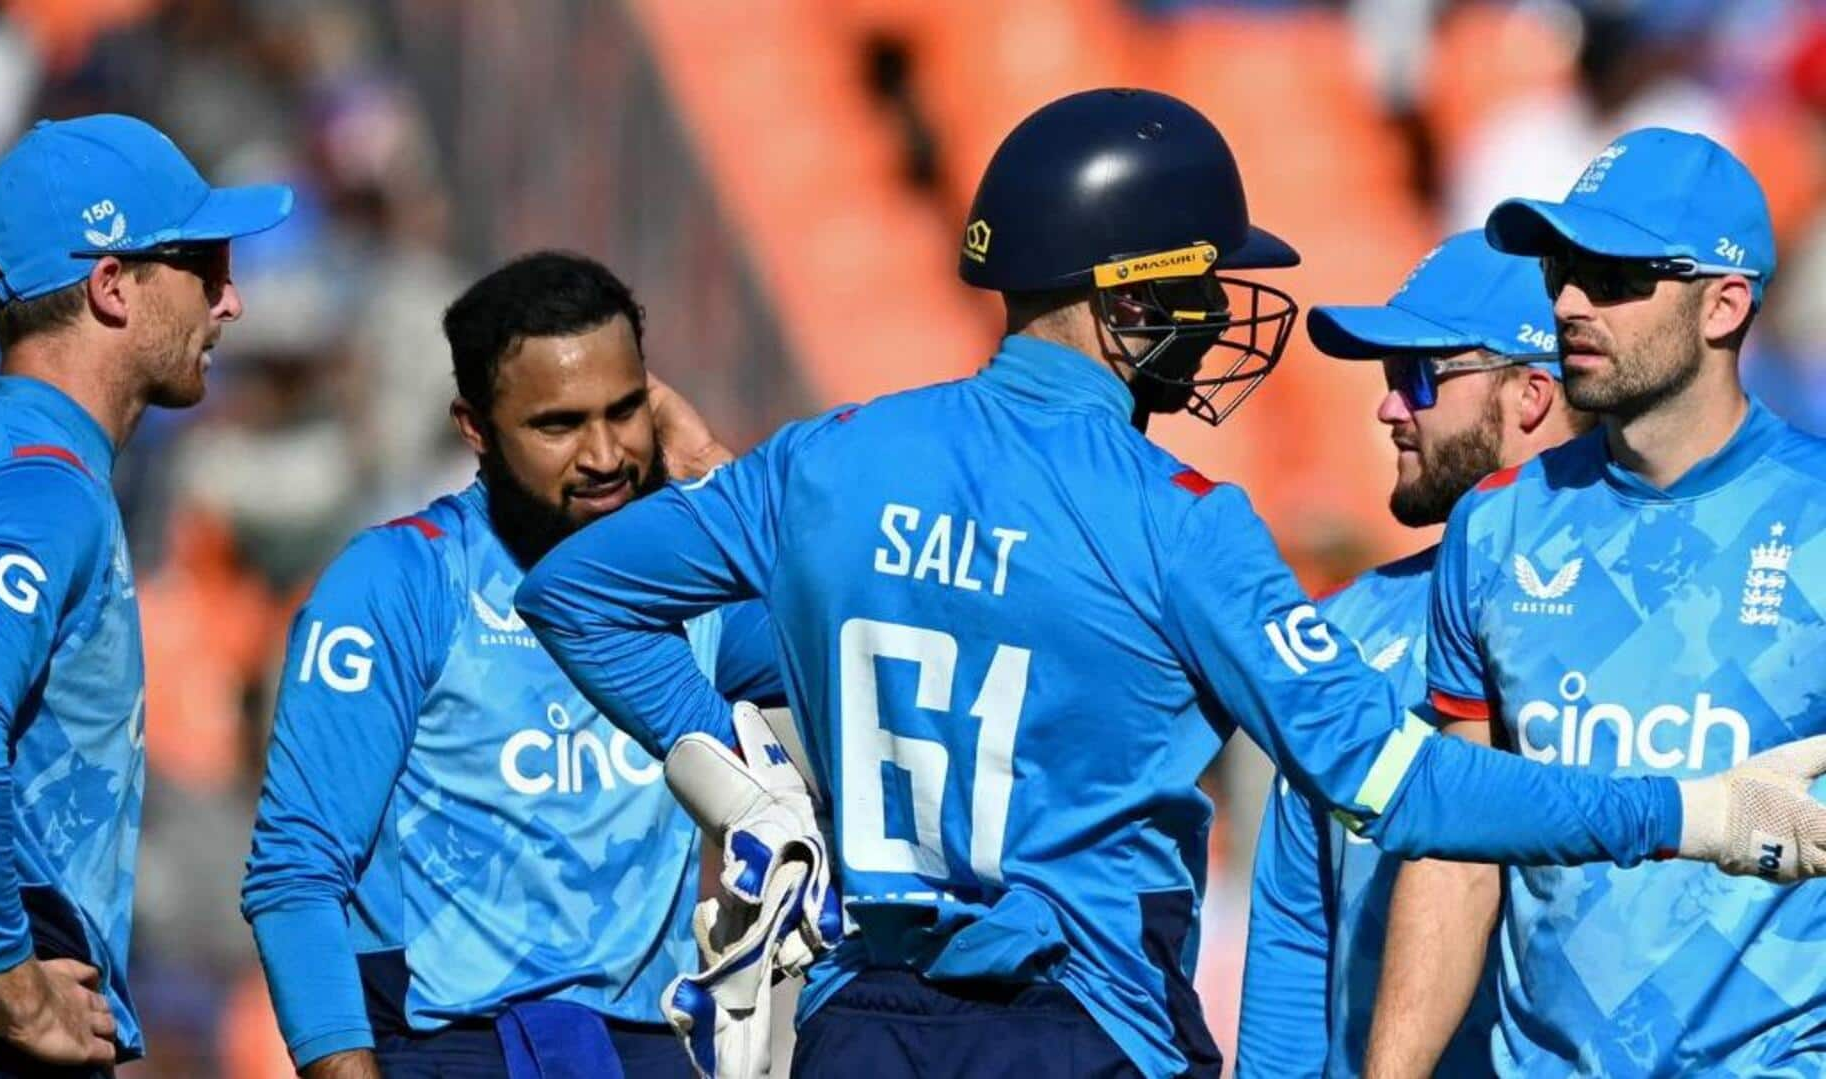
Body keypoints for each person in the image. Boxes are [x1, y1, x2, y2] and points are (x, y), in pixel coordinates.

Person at [517, 91, 1826, 1079]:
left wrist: (736, 792)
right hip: (1086, 1026)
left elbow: (581, 597)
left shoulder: (828, 462)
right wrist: (1689, 810)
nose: (1218, 314)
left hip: (863, 1025)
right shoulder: (1179, 526)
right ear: (1124, 297)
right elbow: (1404, 788)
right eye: (1201, 285)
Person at [239, 250, 783, 1079]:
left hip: (653, 1046)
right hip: (454, 1043)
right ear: (475, 429)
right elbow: (296, 870)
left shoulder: (694, 584)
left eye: (626, 410)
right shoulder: (400, 583)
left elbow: (843, 641)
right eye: (559, 424)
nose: (605, 454)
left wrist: (713, 468)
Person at [1367, 129, 1826, 1078]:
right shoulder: (1493, 530)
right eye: (1563, 271)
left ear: (1724, 305)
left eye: (1614, 277)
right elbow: (1461, 845)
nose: (1571, 302)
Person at [0, 114, 292, 1075]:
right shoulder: (41, 487)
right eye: (203, 265)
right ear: (112, 285)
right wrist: (10, 983)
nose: (231, 300)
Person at [1236, 230, 1595, 1077]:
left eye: (1419, 376)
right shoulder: (1343, 629)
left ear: (1533, 394)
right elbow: (1296, 921)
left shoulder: (1665, 617)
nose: (1390, 408)